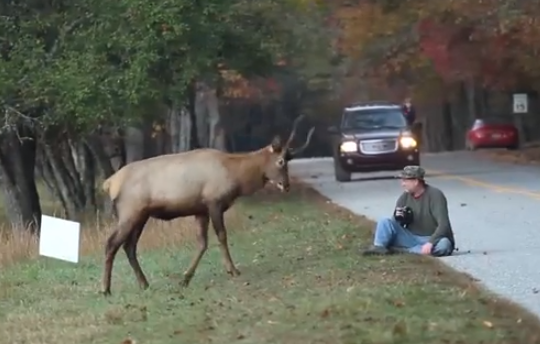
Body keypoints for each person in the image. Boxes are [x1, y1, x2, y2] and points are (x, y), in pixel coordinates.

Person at [362, 166, 455, 257]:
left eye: (405, 181)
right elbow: (394, 224)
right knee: (384, 221)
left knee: (444, 245)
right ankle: (379, 247)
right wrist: (402, 219)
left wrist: (430, 243)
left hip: (431, 237)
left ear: (416, 181)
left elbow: (444, 225)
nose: (402, 184)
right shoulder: (404, 197)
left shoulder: (435, 195)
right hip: (410, 237)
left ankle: (402, 249)